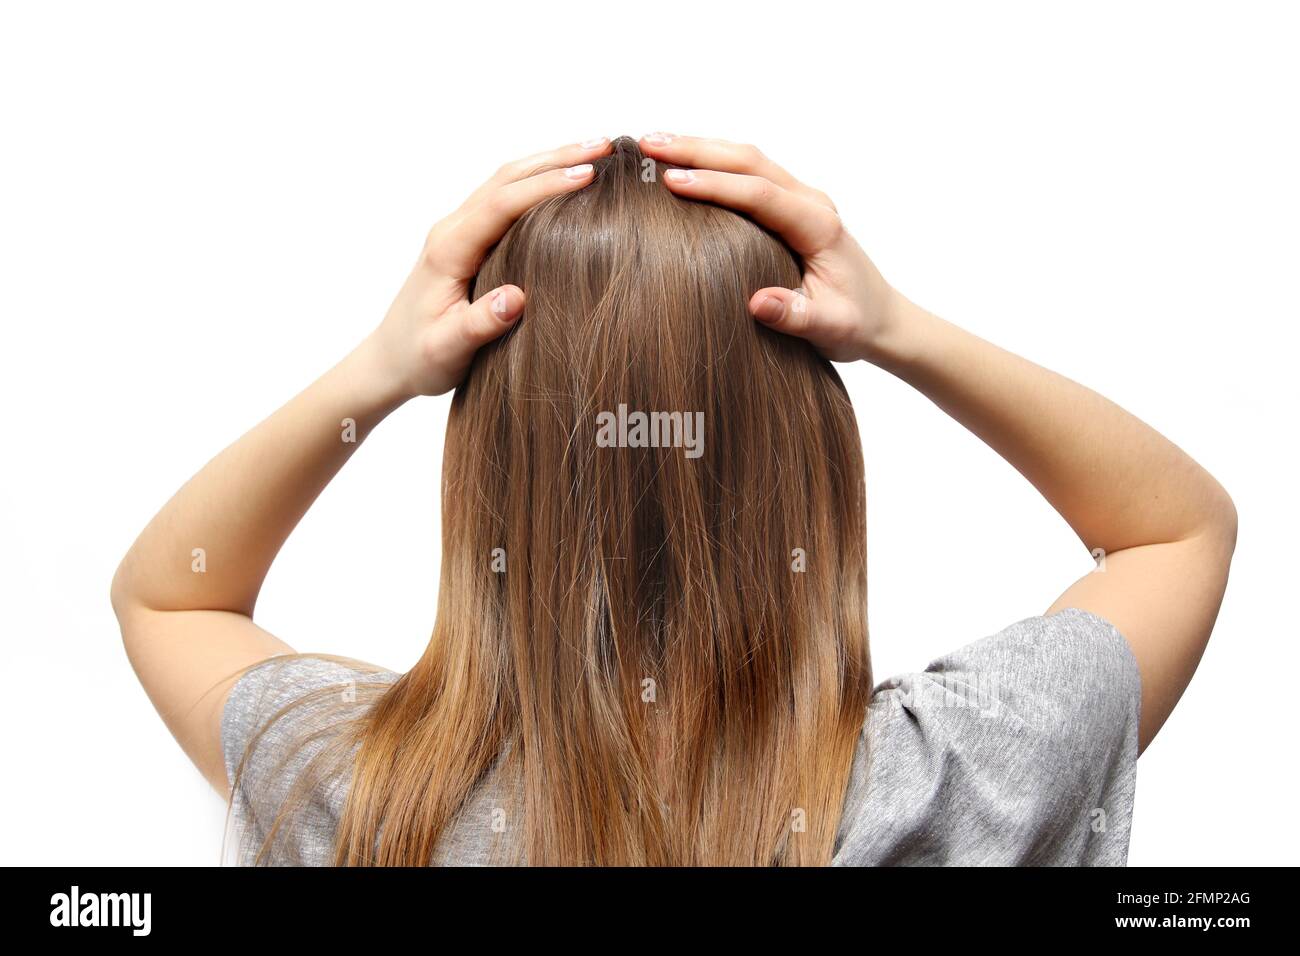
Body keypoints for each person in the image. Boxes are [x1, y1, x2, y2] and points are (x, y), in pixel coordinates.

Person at [111, 135, 1236, 866]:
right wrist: (897, 331)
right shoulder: (964, 775)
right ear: (812, 462)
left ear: (486, 468)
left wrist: (384, 368)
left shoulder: (359, 794)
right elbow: (1174, 528)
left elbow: (170, 598)